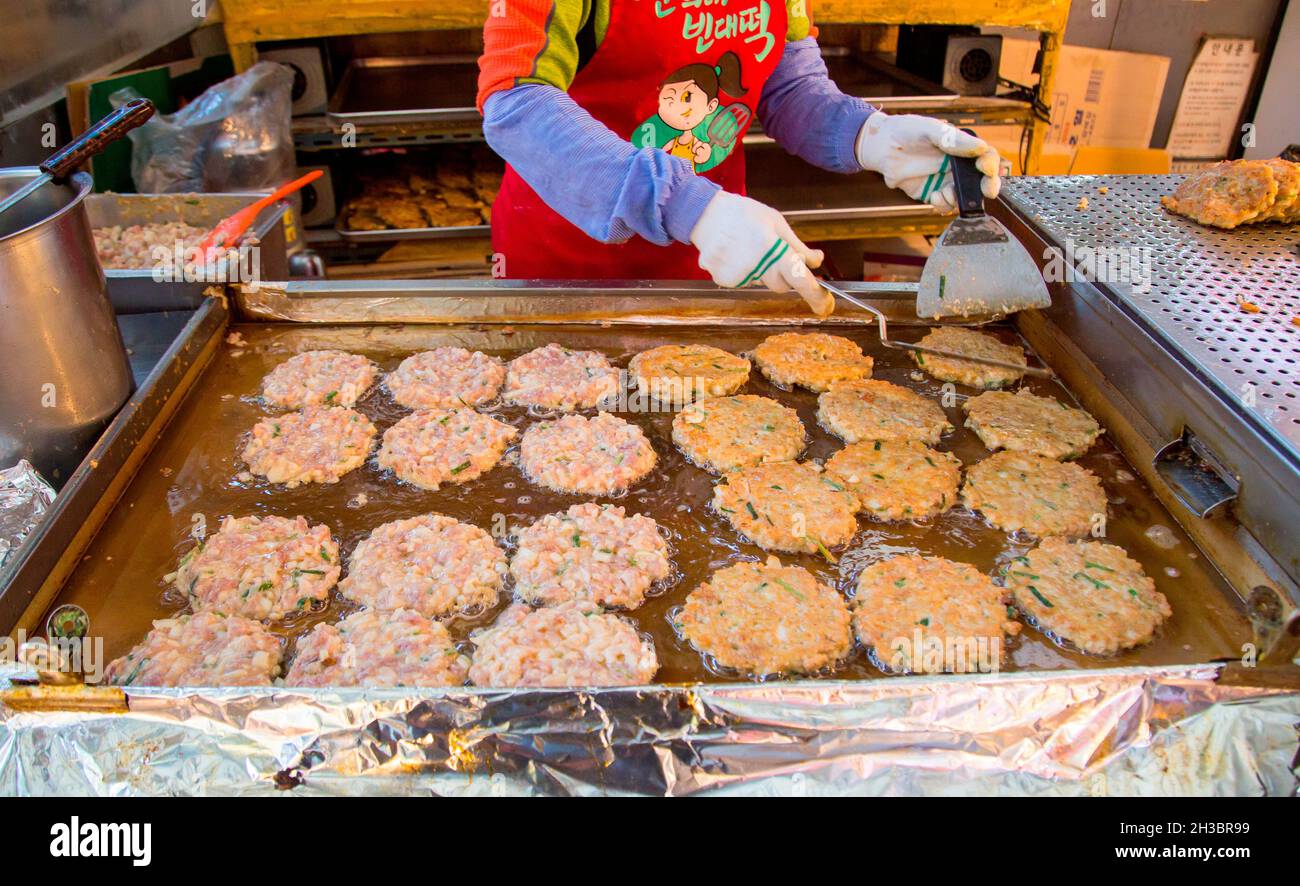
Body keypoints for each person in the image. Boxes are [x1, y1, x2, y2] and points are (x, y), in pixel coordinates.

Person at [477, 0, 1001, 314]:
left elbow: (787, 85)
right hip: (568, 258)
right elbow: (516, 100)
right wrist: (690, 205)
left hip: (713, 257)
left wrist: (870, 134)